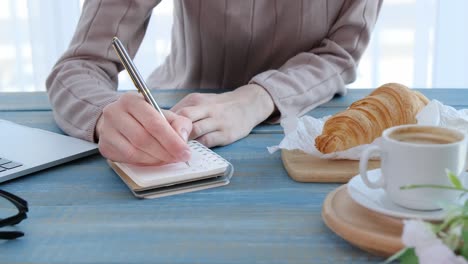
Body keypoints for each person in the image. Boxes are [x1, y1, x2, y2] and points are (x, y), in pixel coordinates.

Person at [46, 0, 383, 166]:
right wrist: (106, 113)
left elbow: (340, 54)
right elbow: (80, 65)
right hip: (175, 117)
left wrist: (259, 98)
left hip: (296, 133)